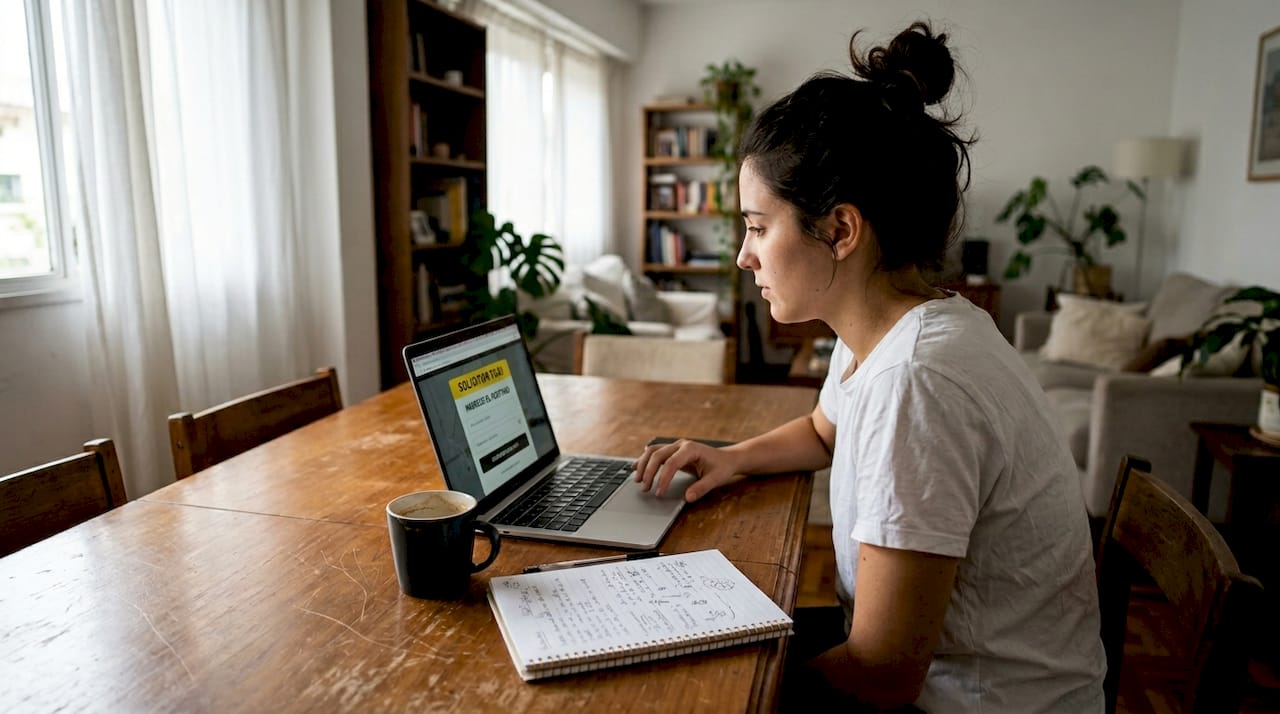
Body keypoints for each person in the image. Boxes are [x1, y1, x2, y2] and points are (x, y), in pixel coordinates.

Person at [635, 20, 1105, 713]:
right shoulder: (899, 330)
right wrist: (731, 456)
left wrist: (715, 695)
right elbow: (826, 431)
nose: (745, 255)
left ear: (841, 230)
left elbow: (882, 675)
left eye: (759, 227)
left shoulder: (917, 382)